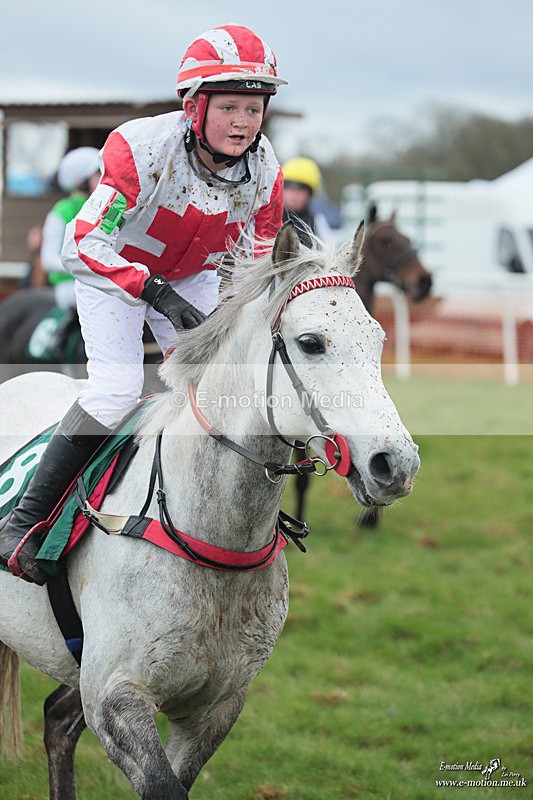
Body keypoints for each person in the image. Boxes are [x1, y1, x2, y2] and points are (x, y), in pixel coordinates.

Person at [0, 24, 287, 584]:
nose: (242, 123)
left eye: (254, 109)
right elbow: (80, 241)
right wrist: (154, 291)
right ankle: (24, 524)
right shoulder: (139, 146)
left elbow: (255, 264)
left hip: (195, 278)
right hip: (114, 272)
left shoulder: (266, 170)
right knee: (116, 391)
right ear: (193, 105)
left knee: (223, 387)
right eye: (229, 107)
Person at [41, 147, 101, 309]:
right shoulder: (62, 210)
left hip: (99, 285)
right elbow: (48, 259)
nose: (103, 180)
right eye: (98, 175)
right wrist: (88, 267)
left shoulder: (103, 208)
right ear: (81, 181)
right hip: (69, 288)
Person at [281, 156, 333, 247]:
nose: (293, 195)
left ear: (310, 194)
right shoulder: (270, 221)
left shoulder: (318, 223)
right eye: (289, 188)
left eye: (300, 190)